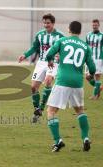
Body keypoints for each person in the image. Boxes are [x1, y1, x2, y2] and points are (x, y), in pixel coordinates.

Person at [46, 21, 96, 152]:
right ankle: (85, 138)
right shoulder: (85, 46)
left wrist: (50, 61)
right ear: (79, 31)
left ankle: (58, 141)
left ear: (69, 29)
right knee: (80, 111)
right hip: (77, 83)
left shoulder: (62, 41)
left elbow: (49, 54)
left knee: (51, 111)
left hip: (62, 81)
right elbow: (92, 68)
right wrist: (90, 75)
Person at [18, 13, 64, 123]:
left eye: (48, 23)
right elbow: (34, 47)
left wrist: (60, 55)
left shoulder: (60, 36)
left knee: (48, 81)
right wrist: (25, 55)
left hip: (53, 62)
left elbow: (65, 49)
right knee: (33, 88)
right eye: (44, 23)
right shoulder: (39, 35)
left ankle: (42, 108)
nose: (46, 25)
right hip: (41, 63)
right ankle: (37, 109)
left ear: (53, 23)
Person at [85, 19, 103, 100]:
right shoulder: (88, 35)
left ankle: (95, 96)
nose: (94, 26)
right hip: (89, 59)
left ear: (98, 25)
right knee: (87, 77)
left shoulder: (102, 35)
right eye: (93, 25)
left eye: (96, 25)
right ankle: (98, 89)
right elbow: (86, 46)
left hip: (98, 58)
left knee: (97, 76)